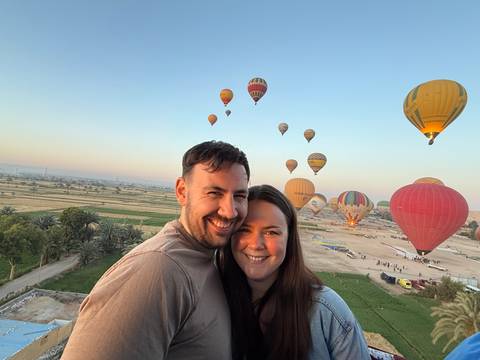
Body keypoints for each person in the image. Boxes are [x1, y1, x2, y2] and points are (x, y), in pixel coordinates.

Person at [62, 141, 250, 360]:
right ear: (182, 191)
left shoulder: (211, 258)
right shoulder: (157, 269)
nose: (229, 212)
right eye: (214, 193)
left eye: (239, 196)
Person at [219, 185, 370, 360]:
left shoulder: (326, 310)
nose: (256, 244)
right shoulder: (213, 299)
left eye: (271, 232)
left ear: (289, 239)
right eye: (244, 230)